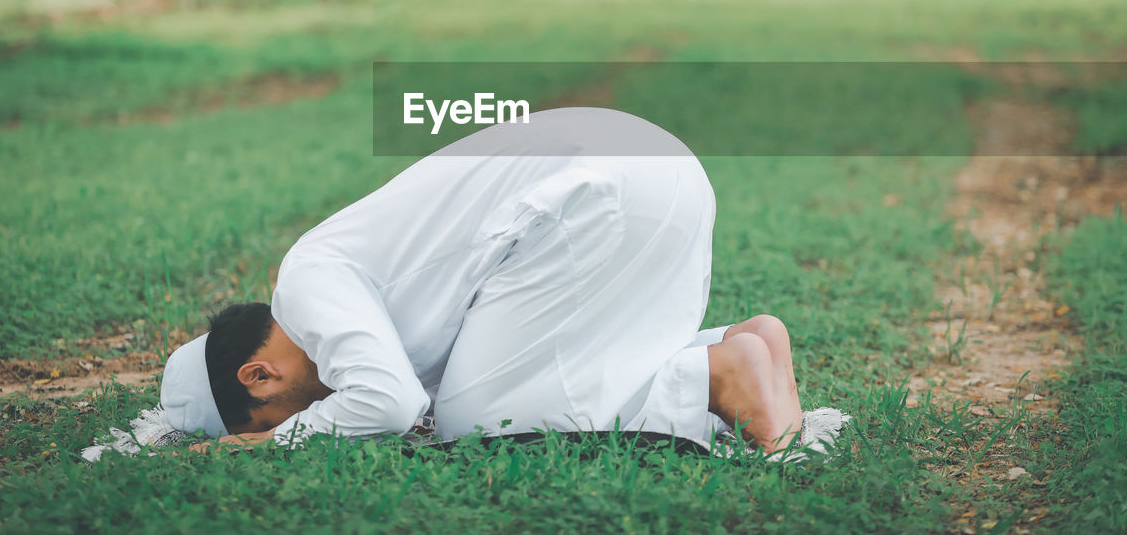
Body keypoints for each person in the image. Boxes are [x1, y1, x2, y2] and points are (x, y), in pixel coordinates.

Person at [159, 107, 817, 456]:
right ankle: (749, 344)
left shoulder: (302, 285)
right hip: (655, 168)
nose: (309, 416)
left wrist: (274, 444)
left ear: (258, 376)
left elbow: (387, 406)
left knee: (476, 422)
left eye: (279, 416)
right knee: (545, 372)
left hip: (597, 192)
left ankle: (717, 375)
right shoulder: (339, 290)